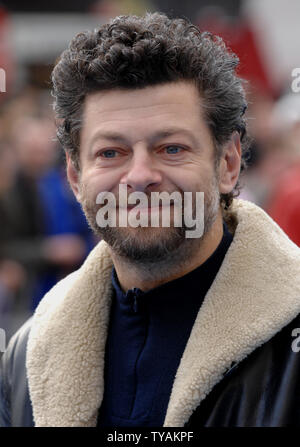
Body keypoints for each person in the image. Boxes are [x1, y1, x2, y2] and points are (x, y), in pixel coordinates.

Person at [1, 12, 300, 428]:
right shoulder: (26, 356)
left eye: (172, 148)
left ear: (228, 163)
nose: (140, 176)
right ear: (74, 175)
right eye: (111, 152)